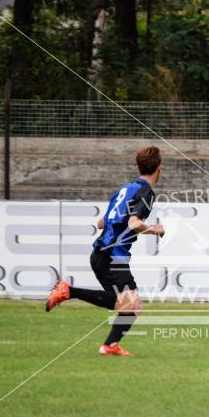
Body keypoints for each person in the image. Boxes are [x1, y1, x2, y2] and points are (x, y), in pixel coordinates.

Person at [45, 146, 165, 356]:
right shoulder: (146, 192)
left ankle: (110, 346)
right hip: (111, 257)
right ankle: (68, 292)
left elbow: (101, 223)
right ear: (159, 168)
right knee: (131, 304)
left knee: (127, 304)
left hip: (101, 254)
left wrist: (134, 227)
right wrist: (153, 229)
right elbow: (134, 223)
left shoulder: (125, 189)